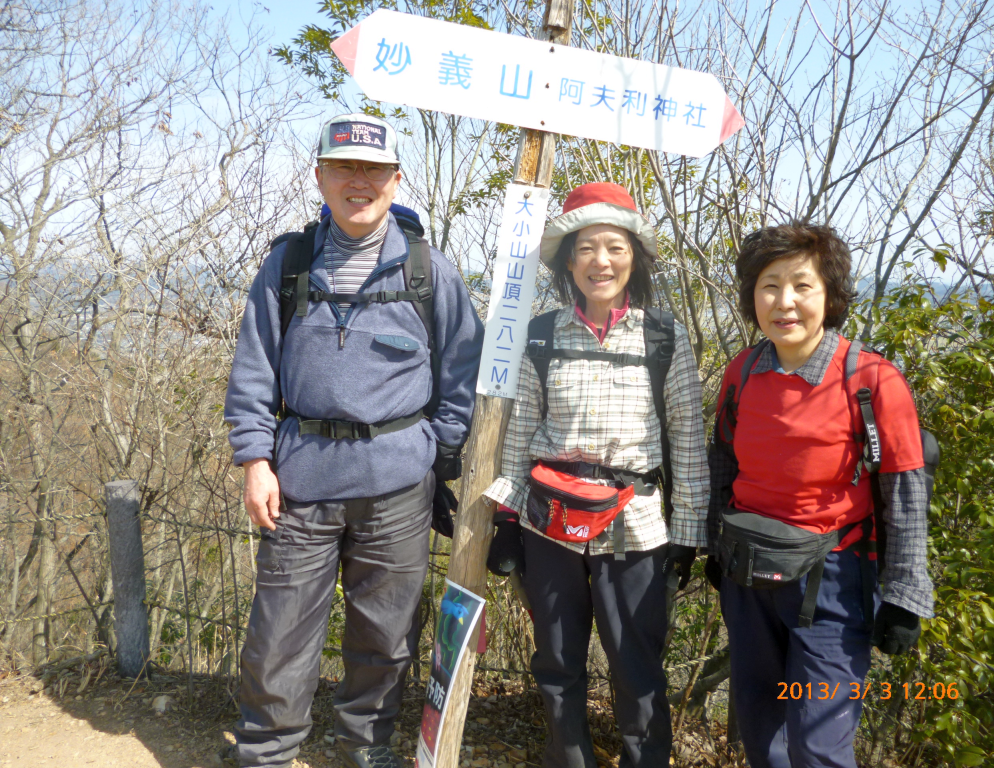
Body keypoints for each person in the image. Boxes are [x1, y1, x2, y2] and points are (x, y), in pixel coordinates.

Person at [223, 113, 483, 768]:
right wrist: (256, 460)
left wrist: (434, 455)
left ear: (396, 180)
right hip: (300, 484)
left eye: (373, 169)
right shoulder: (290, 263)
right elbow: (253, 369)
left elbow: (463, 379)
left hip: (398, 489)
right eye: (344, 168)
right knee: (279, 636)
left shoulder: (429, 271)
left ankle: (363, 753)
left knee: (386, 639)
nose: (358, 182)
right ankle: (266, 753)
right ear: (320, 176)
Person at [483, 182, 710, 768]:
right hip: (549, 518)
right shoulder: (542, 333)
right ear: (566, 260)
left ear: (635, 255)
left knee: (636, 661)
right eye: (585, 248)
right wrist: (507, 517)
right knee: (557, 659)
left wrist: (687, 531)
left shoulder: (663, 335)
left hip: (634, 519)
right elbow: (520, 430)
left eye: (614, 246)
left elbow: (686, 434)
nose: (599, 261)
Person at [706, 223, 934, 767]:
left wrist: (904, 594)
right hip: (748, 571)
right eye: (768, 285)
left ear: (828, 294)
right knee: (762, 730)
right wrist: (714, 546)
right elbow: (722, 463)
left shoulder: (871, 379)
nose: (784, 301)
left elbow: (904, 489)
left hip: (831, 580)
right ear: (751, 297)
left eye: (801, 285)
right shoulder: (742, 372)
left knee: (818, 742)